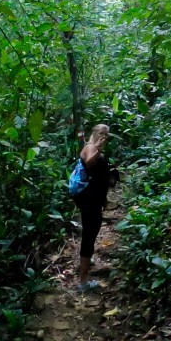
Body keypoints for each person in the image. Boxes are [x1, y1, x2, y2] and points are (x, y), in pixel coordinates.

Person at [73, 123, 111, 292]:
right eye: (101, 133)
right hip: (89, 200)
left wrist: (104, 198)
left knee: (91, 232)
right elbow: (89, 163)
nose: (104, 137)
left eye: (106, 134)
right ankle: (83, 281)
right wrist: (98, 148)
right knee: (89, 235)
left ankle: (86, 263)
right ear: (94, 133)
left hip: (94, 199)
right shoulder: (91, 147)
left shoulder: (94, 148)